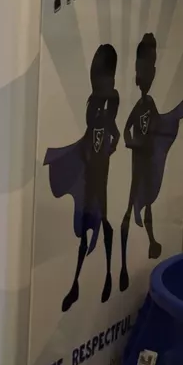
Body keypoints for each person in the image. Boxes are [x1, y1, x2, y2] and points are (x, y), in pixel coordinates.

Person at [44, 44, 120, 312]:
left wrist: (109, 147)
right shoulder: (94, 101)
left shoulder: (111, 100)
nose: (100, 81)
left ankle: (108, 274)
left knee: (101, 218)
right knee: (86, 226)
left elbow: (111, 130)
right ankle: (77, 284)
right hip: (90, 169)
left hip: (100, 171)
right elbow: (94, 133)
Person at [119, 33, 183, 291]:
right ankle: (124, 266)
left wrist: (174, 116)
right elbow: (127, 130)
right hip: (138, 163)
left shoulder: (149, 104)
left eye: (151, 65)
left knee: (147, 202)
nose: (148, 71)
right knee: (130, 205)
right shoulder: (139, 105)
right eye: (144, 65)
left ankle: (150, 242)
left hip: (146, 162)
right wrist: (133, 142)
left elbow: (158, 125)